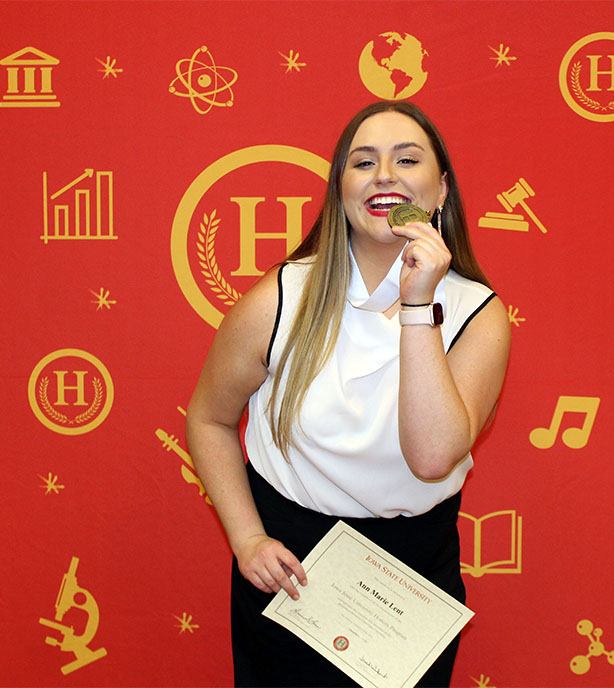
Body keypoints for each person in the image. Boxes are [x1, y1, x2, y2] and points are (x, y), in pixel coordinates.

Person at [186, 101, 510, 687]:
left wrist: (417, 305)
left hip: (411, 566)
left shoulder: (477, 314)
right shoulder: (281, 297)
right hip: (291, 565)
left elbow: (433, 457)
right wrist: (247, 537)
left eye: (406, 159)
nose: (384, 174)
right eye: (363, 163)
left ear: (440, 190)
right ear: (341, 191)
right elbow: (209, 420)